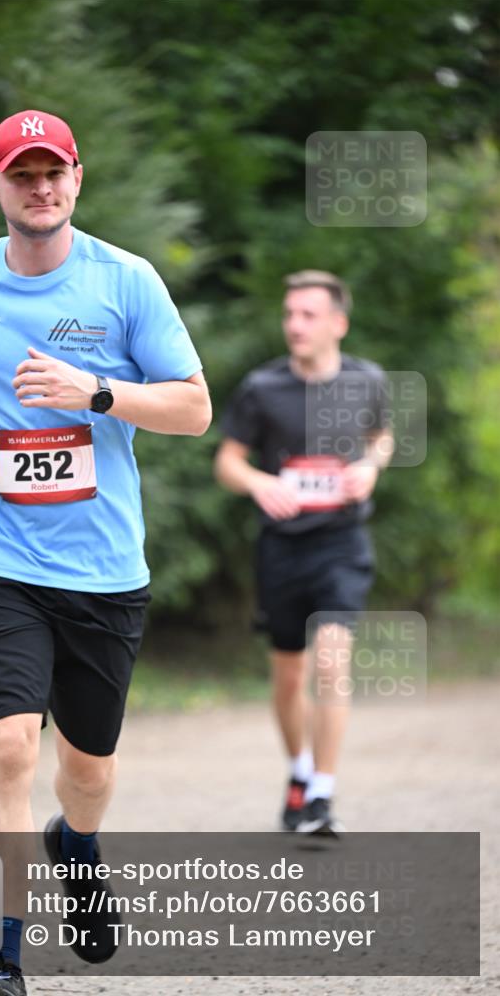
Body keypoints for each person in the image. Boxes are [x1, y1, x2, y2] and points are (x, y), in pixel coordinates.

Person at [0, 109, 211, 995]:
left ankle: (77, 844)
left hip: (105, 572)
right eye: (21, 175)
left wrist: (98, 392)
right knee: (5, 749)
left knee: (88, 771)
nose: (40, 188)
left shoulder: (126, 281)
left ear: (77, 178)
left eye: (53, 172)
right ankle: (3, 957)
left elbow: (193, 408)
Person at [215, 270, 393, 838]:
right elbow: (227, 463)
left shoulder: (368, 380)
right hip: (281, 549)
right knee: (289, 675)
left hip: (341, 543)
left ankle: (321, 794)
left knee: (331, 661)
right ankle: (298, 772)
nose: (295, 325)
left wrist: (370, 467)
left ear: (338, 323)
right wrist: (260, 484)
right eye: (290, 314)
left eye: (308, 315)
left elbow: (380, 437)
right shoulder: (262, 388)